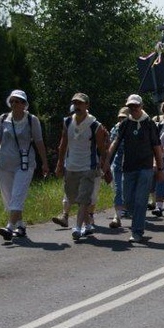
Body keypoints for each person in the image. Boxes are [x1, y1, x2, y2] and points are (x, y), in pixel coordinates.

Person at [0, 90, 49, 241]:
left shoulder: (32, 120)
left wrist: (44, 162)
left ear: (24, 104)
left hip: (24, 164)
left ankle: (9, 227)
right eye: (12, 101)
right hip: (4, 164)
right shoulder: (3, 118)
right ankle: (20, 225)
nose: (15, 104)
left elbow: (39, 142)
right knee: (9, 197)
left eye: (18, 101)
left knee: (18, 195)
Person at [104, 94, 164, 243]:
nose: (133, 109)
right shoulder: (125, 124)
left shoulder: (150, 124)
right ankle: (138, 221)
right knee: (128, 200)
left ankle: (137, 231)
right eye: (130, 106)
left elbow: (157, 147)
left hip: (145, 168)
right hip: (128, 167)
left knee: (140, 200)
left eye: (136, 106)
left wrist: (160, 168)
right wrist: (106, 161)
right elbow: (115, 143)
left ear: (141, 106)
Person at [54, 93, 109, 241]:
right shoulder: (67, 122)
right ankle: (89, 224)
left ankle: (78, 227)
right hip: (71, 166)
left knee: (84, 198)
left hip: (88, 167)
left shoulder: (94, 125)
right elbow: (63, 144)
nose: (77, 106)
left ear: (87, 106)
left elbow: (101, 148)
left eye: (80, 103)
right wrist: (60, 164)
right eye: (75, 103)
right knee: (74, 198)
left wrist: (104, 166)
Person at [107, 107, 130, 229]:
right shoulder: (115, 129)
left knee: (127, 191)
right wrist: (106, 164)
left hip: (131, 163)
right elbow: (111, 146)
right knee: (117, 189)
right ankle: (117, 217)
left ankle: (129, 210)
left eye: (124, 118)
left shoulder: (134, 129)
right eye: (120, 118)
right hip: (117, 162)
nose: (121, 120)